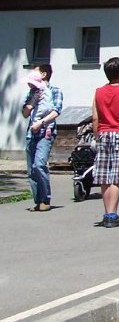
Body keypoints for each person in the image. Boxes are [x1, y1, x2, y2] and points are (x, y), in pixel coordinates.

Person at [91, 57, 119, 227]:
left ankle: (106, 212)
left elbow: (95, 118)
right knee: (116, 176)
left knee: (104, 175)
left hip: (103, 134)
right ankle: (112, 214)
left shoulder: (98, 92)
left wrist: (97, 135)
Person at [22, 64, 63, 212]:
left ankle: (45, 199)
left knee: (39, 164)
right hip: (31, 134)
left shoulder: (55, 91)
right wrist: (31, 103)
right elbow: (25, 114)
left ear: (44, 74)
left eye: (35, 72)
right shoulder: (32, 92)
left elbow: (56, 111)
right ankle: (38, 201)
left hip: (46, 132)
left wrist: (41, 122)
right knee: (31, 170)